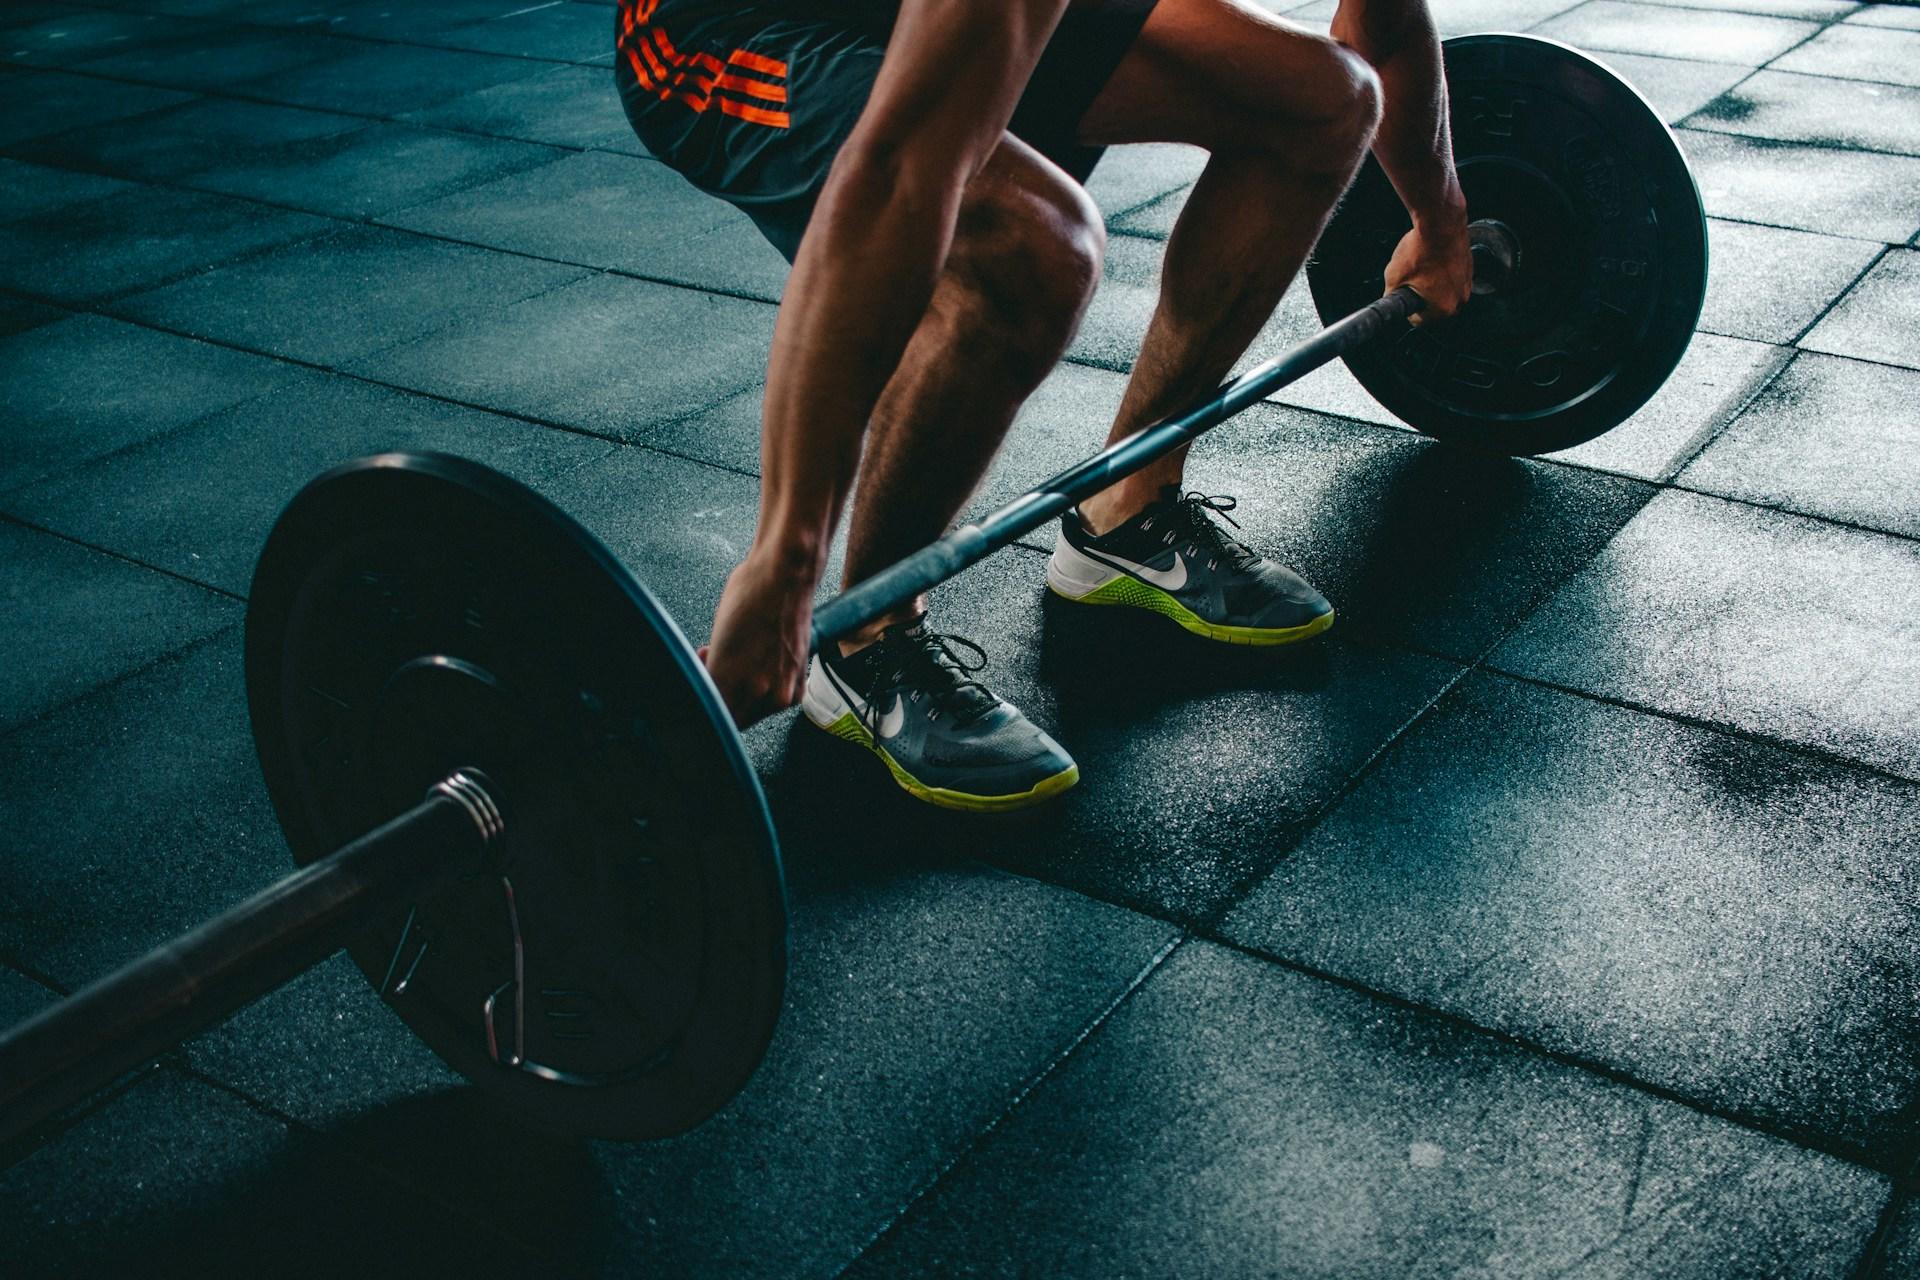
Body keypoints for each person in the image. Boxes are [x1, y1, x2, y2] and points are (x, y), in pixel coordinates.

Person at [616, 0, 1472, 810]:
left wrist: (1439, 222)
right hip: (729, 27)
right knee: (1035, 244)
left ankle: (1126, 510)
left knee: (1323, 101)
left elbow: (1383, 29)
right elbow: (902, 170)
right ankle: (866, 639)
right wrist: (785, 559)